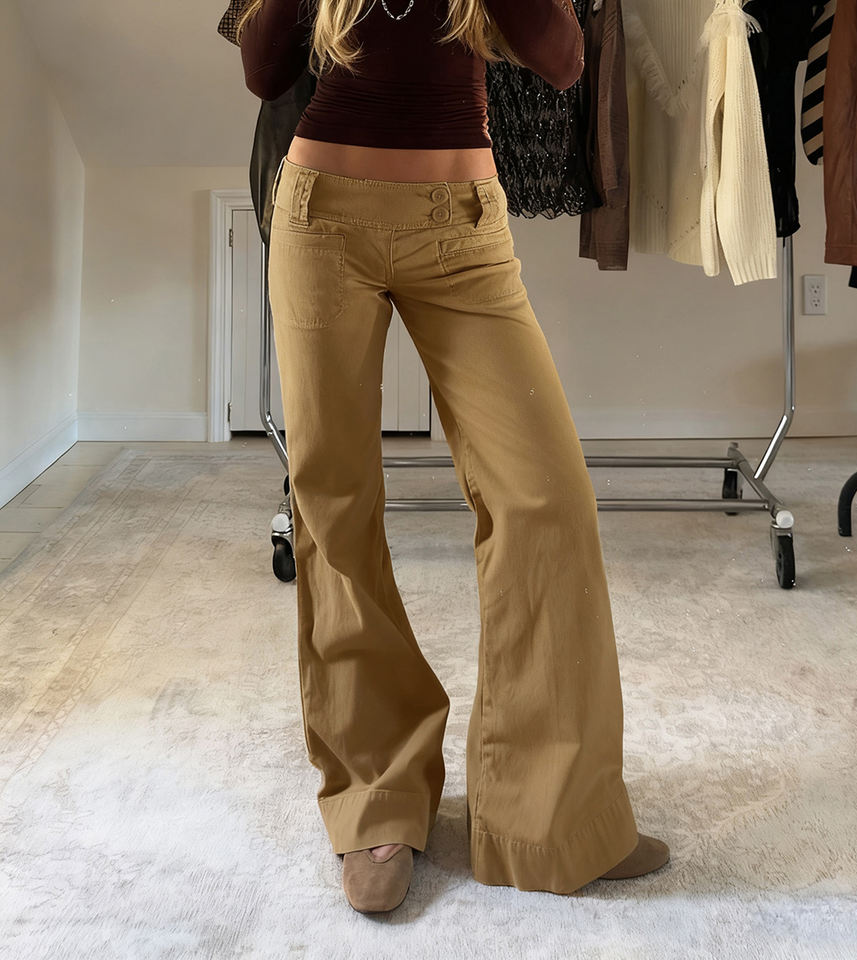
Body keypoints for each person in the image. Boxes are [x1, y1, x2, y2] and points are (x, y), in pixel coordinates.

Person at [238, 0, 669, 914]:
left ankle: (551, 816)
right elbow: (264, 70)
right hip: (322, 218)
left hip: (463, 224)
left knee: (546, 498)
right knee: (335, 504)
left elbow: (562, 58)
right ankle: (378, 798)